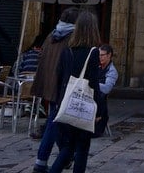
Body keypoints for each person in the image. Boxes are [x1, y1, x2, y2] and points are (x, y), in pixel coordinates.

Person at [49, 10, 102, 173]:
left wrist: (58, 103)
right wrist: (98, 110)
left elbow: (59, 78)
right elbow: (94, 84)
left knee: (68, 147)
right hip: (84, 105)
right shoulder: (93, 53)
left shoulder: (67, 51)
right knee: (82, 149)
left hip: (67, 103)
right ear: (93, 29)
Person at [32, 6, 79, 173]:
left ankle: (65, 157)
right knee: (53, 123)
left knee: (58, 121)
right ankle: (41, 162)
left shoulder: (52, 35)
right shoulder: (71, 38)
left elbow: (41, 56)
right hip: (61, 87)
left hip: (48, 84)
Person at [93, 44, 118, 138]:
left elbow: (107, 88)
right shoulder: (97, 67)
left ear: (109, 55)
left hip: (100, 104)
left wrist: (93, 84)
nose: (100, 57)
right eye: (99, 55)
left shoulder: (112, 71)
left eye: (102, 55)